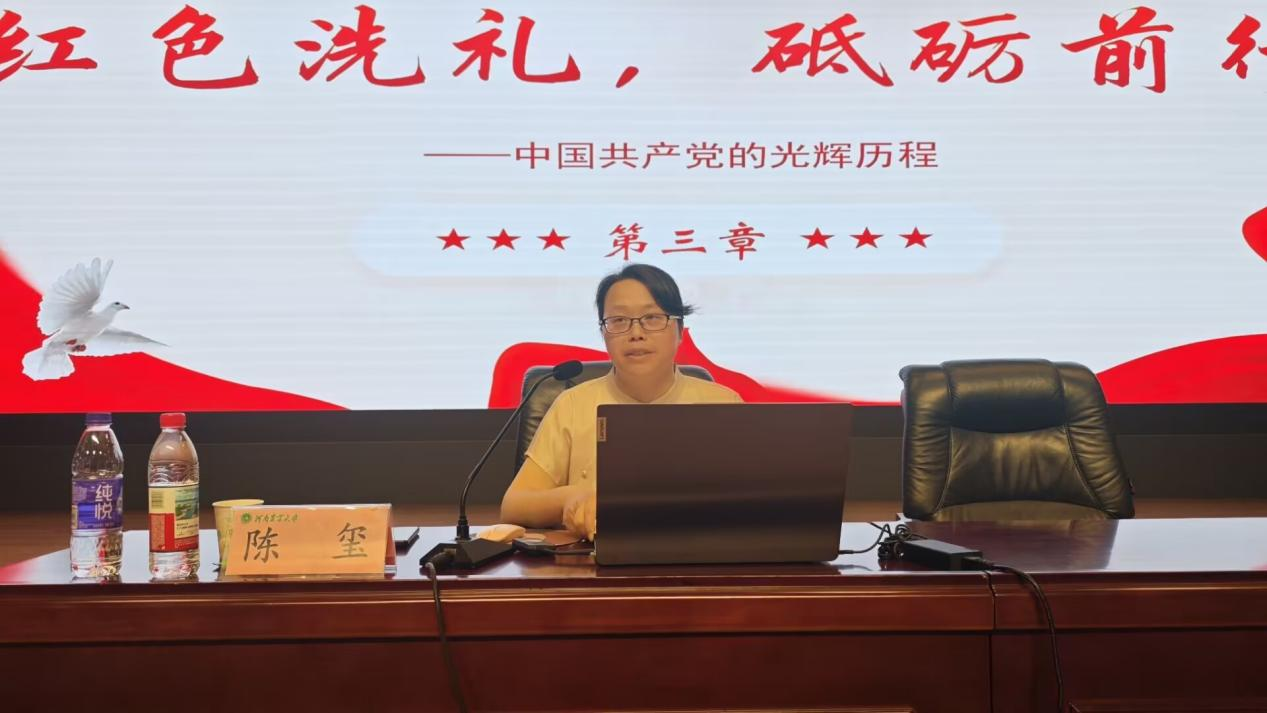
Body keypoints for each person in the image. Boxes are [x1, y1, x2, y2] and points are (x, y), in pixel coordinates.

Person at [499, 264, 742, 539]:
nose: (636, 333)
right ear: (603, 333)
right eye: (618, 320)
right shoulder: (573, 405)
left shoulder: (722, 404)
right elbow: (513, 505)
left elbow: (750, 502)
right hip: (591, 559)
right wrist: (570, 498)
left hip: (698, 557)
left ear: (680, 331)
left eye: (652, 318)